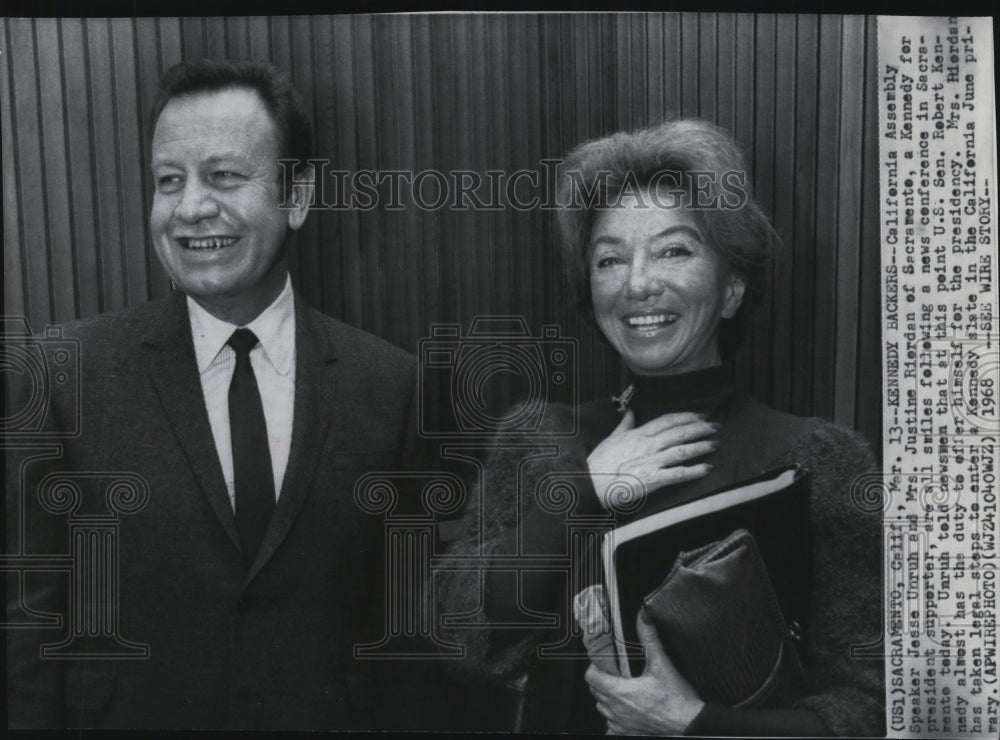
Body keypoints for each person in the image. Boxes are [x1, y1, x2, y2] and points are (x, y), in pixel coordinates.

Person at [6, 59, 441, 730]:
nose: (190, 208)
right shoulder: (63, 375)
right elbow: (27, 627)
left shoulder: (391, 386)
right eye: (168, 181)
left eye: (225, 176)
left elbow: (407, 641)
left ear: (297, 195)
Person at [436, 118, 885, 736]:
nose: (638, 283)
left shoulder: (815, 459)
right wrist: (581, 493)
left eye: (674, 250)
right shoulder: (543, 440)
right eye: (610, 259)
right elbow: (454, 633)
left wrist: (695, 724)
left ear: (731, 287)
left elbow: (873, 708)